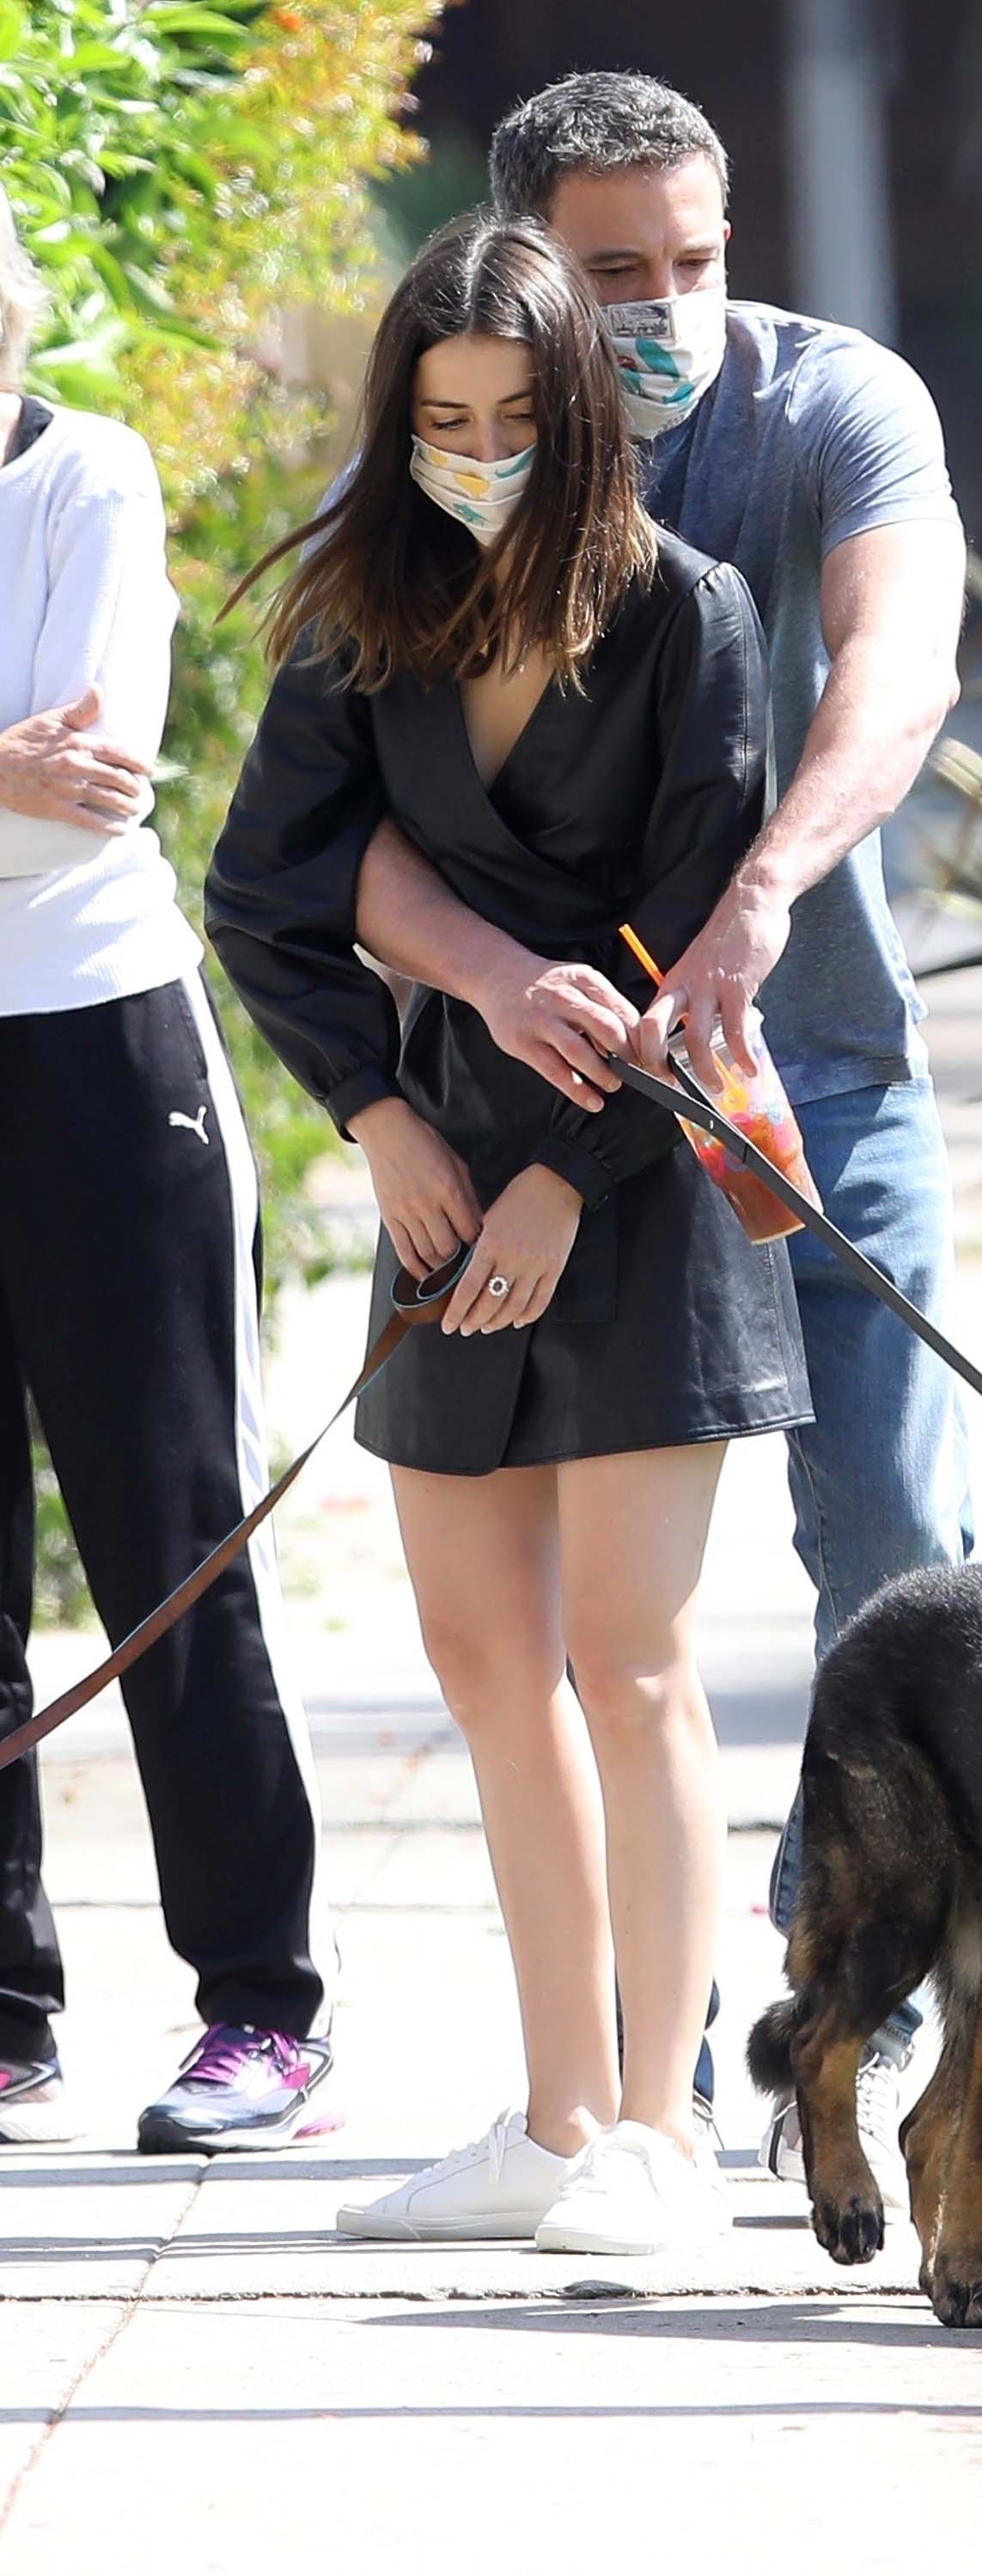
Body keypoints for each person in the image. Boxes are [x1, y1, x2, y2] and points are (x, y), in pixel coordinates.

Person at [345, 74, 973, 2194]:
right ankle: (646, 2084)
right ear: (526, 261)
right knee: (615, 1639)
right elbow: (321, 826)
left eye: (694, 259)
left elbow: (897, 666)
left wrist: (768, 890)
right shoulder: (464, 441)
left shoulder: (830, 407)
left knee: (891, 1549)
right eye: (616, 272)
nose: (667, 305)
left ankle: (871, 1998)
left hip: (819, 1081)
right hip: (571, 1125)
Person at [207, 216, 811, 2252]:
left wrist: (578, 1174)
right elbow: (268, 894)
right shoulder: (360, 620)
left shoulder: (691, 616)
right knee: (484, 1659)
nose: (474, 452)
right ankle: (550, 2118)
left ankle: (662, 2129)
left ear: (583, 422)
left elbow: (696, 929)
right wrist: (380, 1118)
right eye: (440, 419)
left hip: (635, 1192)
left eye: (514, 419)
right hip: (440, 1187)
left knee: (629, 1658)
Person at [0, 192, 337, 2153]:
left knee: (169, 1534)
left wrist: (33, 788)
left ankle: (261, 2006)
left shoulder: (88, 477)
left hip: (98, 1053)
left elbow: (92, 793)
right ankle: (6, 2003)